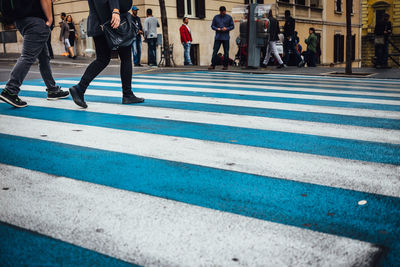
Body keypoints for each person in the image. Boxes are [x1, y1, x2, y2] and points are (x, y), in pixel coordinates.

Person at [69, 0, 144, 108]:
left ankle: (80, 88)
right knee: (126, 58)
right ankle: (127, 94)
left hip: (99, 23)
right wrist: (115, 10)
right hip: (112, 22)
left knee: (102, 59)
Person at [0, 0, 69, 108]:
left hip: (21, 20)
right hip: (36, 21)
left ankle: (52, 89)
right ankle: (10, 90)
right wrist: (50, 19)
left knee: (44, 57)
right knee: (28, 56)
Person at [209, 6, 234, 70]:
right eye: (221, 12)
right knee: (215, 51)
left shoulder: (229, 17)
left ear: (225, 11)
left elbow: (232, 26)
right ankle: (213, 64)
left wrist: (227, 28)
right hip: (218, 37)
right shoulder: (216, 17)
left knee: (226, 52)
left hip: (226, 37)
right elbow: (212, 26)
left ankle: (225, 65)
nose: (222, 13)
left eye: (223, 12)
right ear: (219, 11)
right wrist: (217, 28)